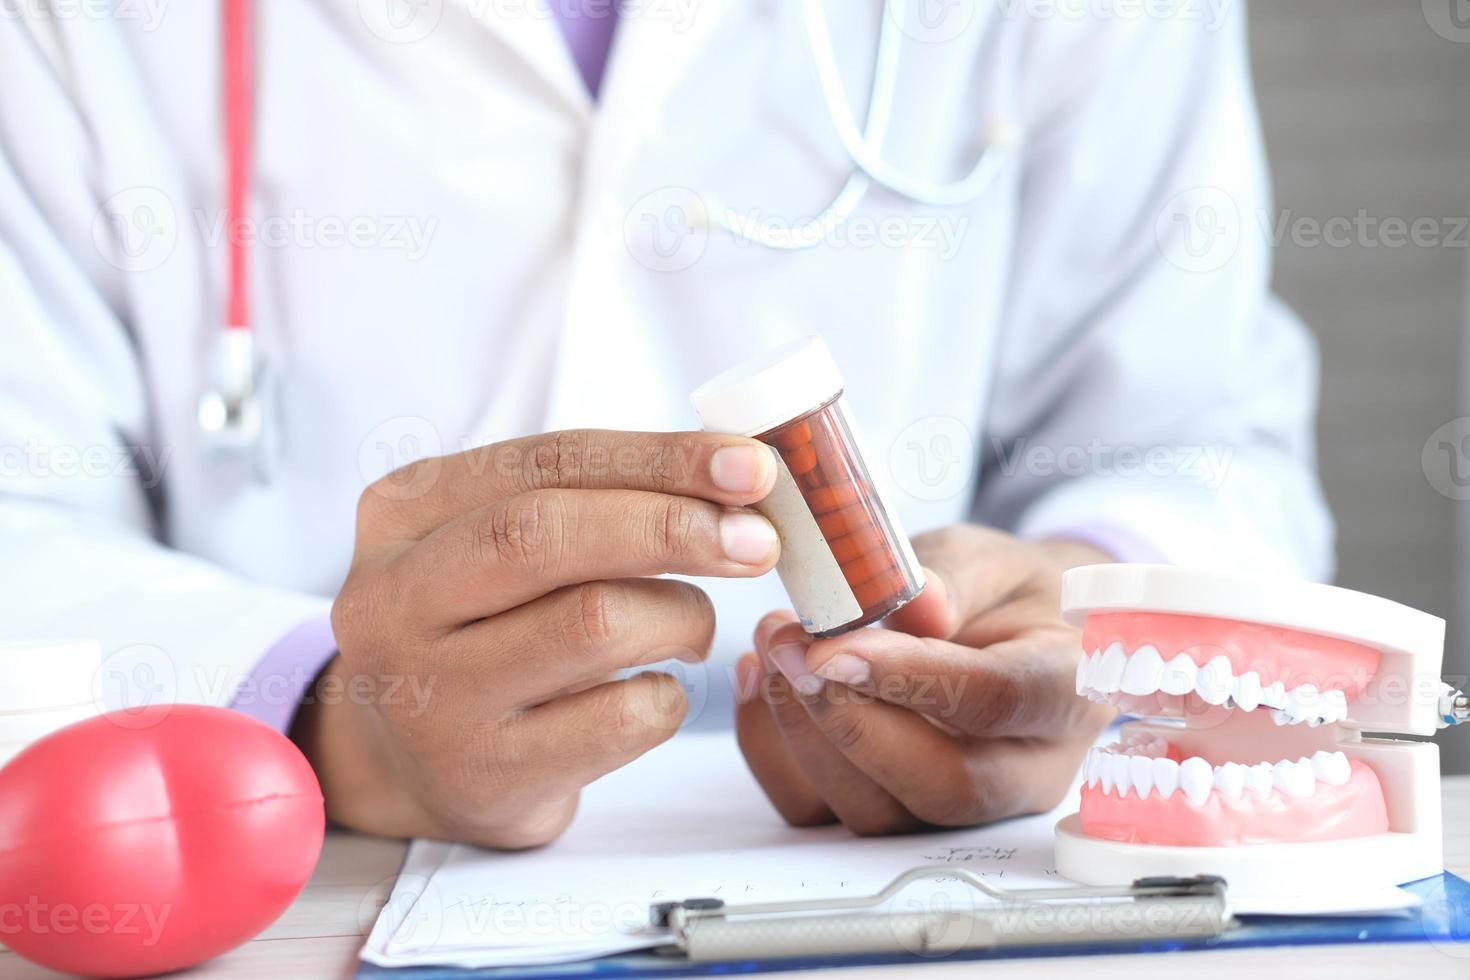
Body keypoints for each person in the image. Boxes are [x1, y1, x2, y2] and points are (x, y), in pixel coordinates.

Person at [0, 1, 1330, 848]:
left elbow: (1198, 433)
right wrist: (337, 715)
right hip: (314, 880)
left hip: (934, 888)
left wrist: (1081, 623)